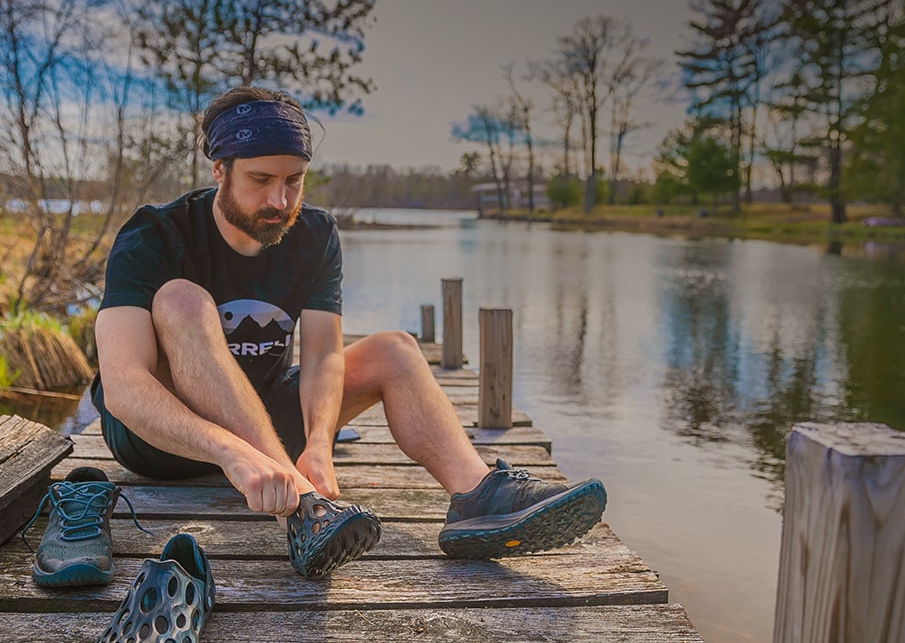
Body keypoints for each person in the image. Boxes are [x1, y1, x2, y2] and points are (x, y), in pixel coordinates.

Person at [89, 85, 607, 579]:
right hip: (160, 440)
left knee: (395, 349)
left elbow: (322, 357)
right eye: (260, 179)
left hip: (265, 422)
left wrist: (319, 442)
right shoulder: (154, 234)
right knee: (180, 299)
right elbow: (124, 389)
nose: (279, 200)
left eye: (294, 180)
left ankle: (478, 496)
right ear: (219, 169)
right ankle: (302, 508)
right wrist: (232, 452)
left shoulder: (314, 234)